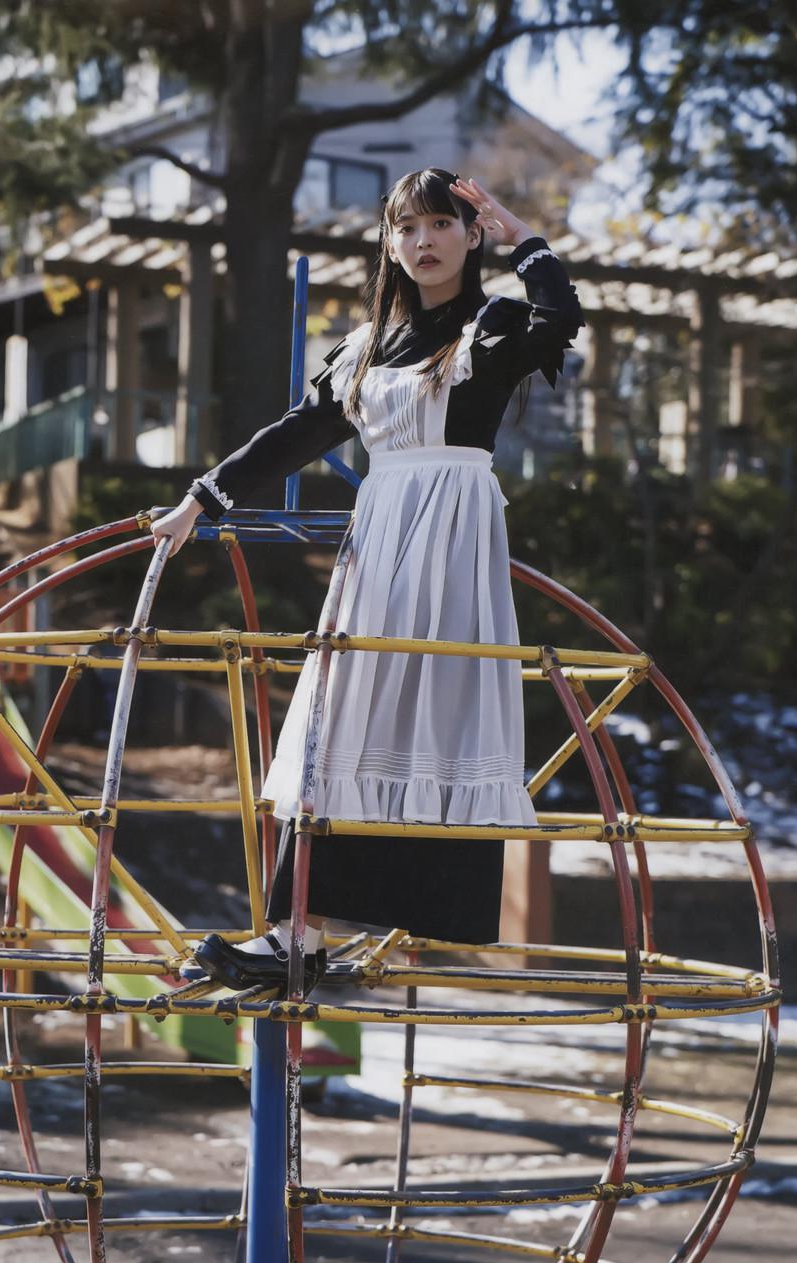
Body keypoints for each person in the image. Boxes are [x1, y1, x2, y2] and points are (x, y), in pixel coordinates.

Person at [151, 167, 585, 993]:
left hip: (451, 534)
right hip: (379, 534)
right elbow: (297, 433)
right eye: (406, 228)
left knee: (435, 716)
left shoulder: (491, 326)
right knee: (333, 718)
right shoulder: (367, 345)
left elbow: (561, 320)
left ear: (469, 236)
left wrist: (522, 235)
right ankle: (295, 936)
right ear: (389, 242)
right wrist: (200, 500)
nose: (423, 242)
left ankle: (340, 926)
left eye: (442, 225)